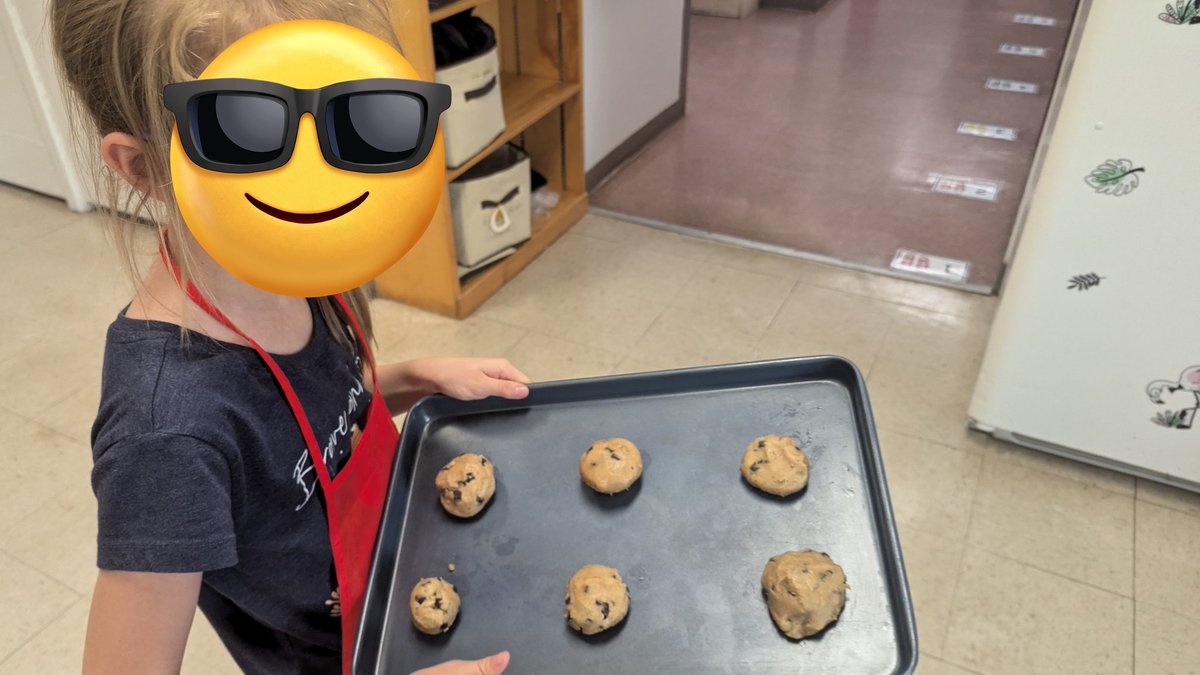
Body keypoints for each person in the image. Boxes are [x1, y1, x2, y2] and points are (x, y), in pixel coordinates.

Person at [50, 1, 523, 672]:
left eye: (358, 114)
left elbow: (306, 431)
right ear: (146, 167)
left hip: (408, 581)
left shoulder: (300, 262)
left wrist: (414, 378)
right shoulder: (167, 435)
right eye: (246, 127)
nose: (319, 175)